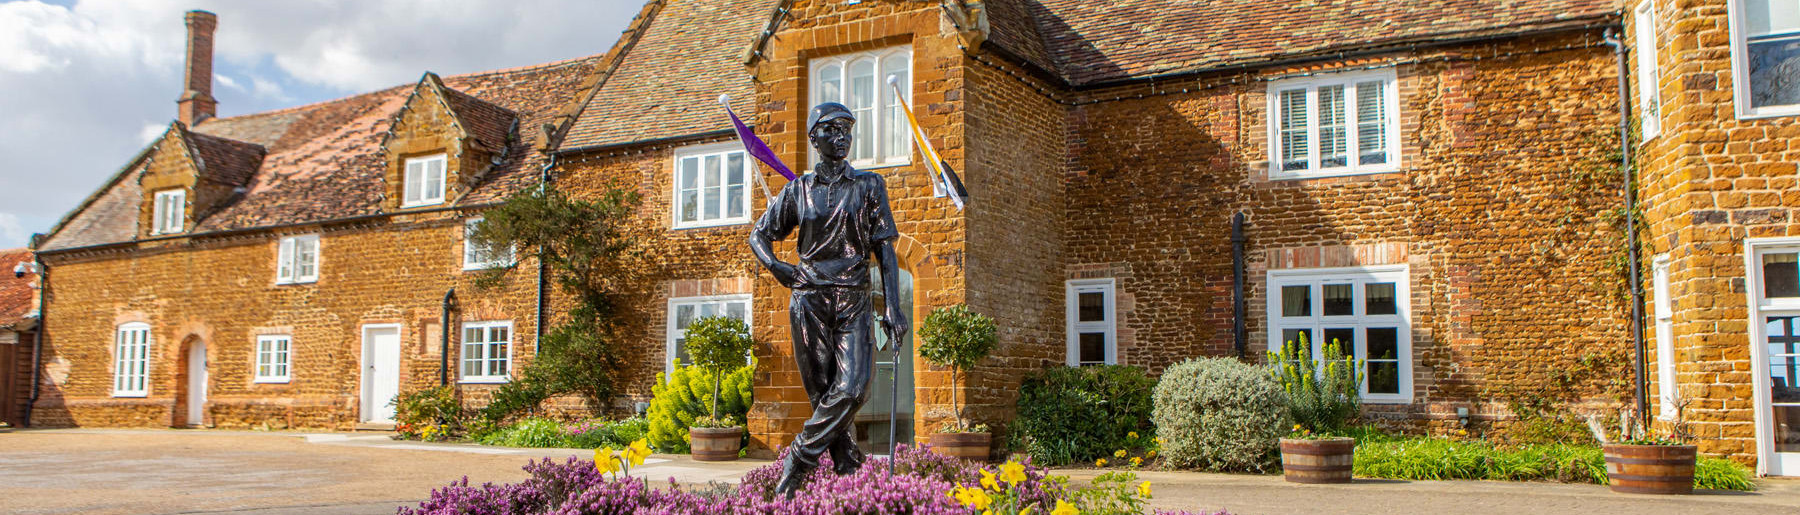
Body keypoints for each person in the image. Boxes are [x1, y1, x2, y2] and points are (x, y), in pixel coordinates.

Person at [748, 102, 908, 497]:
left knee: (853, 387)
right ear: (813, 138)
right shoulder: (797, 190)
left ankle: (798, 460)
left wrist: (893, 305)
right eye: (832, 130)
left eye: (847, 130)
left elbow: (885, 247)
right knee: (823, 393)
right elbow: (759, 235)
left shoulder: (869, 185)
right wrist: (776, 266)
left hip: (853, 298)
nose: (841, 137)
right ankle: (849, 469)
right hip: (809, 299)